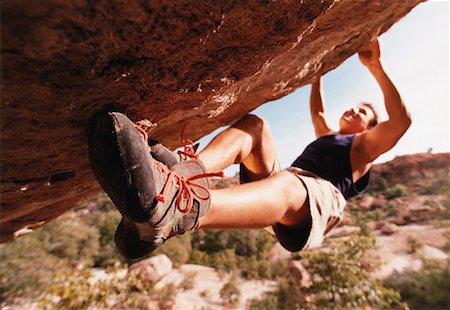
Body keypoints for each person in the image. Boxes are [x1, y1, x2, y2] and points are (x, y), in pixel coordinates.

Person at [88, 39, 411, 259]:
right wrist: (318, 73)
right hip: (287, 183)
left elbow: (401, 121)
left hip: (315, 201)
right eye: (355, 108)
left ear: (370, 129)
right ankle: (183, 175)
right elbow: (318, 114)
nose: (355, 112)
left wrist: (375, 67)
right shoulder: (331, 135)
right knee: (255, 126)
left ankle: (176, 211)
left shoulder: (363, 148)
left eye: (363, 114)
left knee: (286, 184)